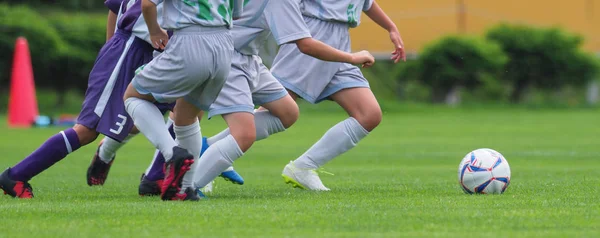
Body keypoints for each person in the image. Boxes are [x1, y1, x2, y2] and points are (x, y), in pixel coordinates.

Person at [142, 0, 376, 196]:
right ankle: (185, 189)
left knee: (288, 112)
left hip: (249, 59)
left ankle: (207, 150)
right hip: (230, 57)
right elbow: (305, 45)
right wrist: (352, 57)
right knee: (243, 134)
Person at [0, 0, 169, 198]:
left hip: (156, 54)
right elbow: (116, 7)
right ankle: (16, 176)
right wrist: (112, 50)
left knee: (166, 113)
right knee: (87, 130)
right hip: (128, 50)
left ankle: (156, 175)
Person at [271, 0, 406, 191]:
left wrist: (391, 27)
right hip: (313, 37)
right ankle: (215, 152)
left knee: (369, 114)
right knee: (276, 112)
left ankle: (304, 167)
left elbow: (366, 3)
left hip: (340, 43)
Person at [123, 0, 243, 201]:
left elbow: (147, 4)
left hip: (190, 40)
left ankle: (172, 154)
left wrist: (155, 31)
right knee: (186, 118)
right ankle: (185, 189)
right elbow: (237, 13)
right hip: (224, 45)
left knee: (133, 96)